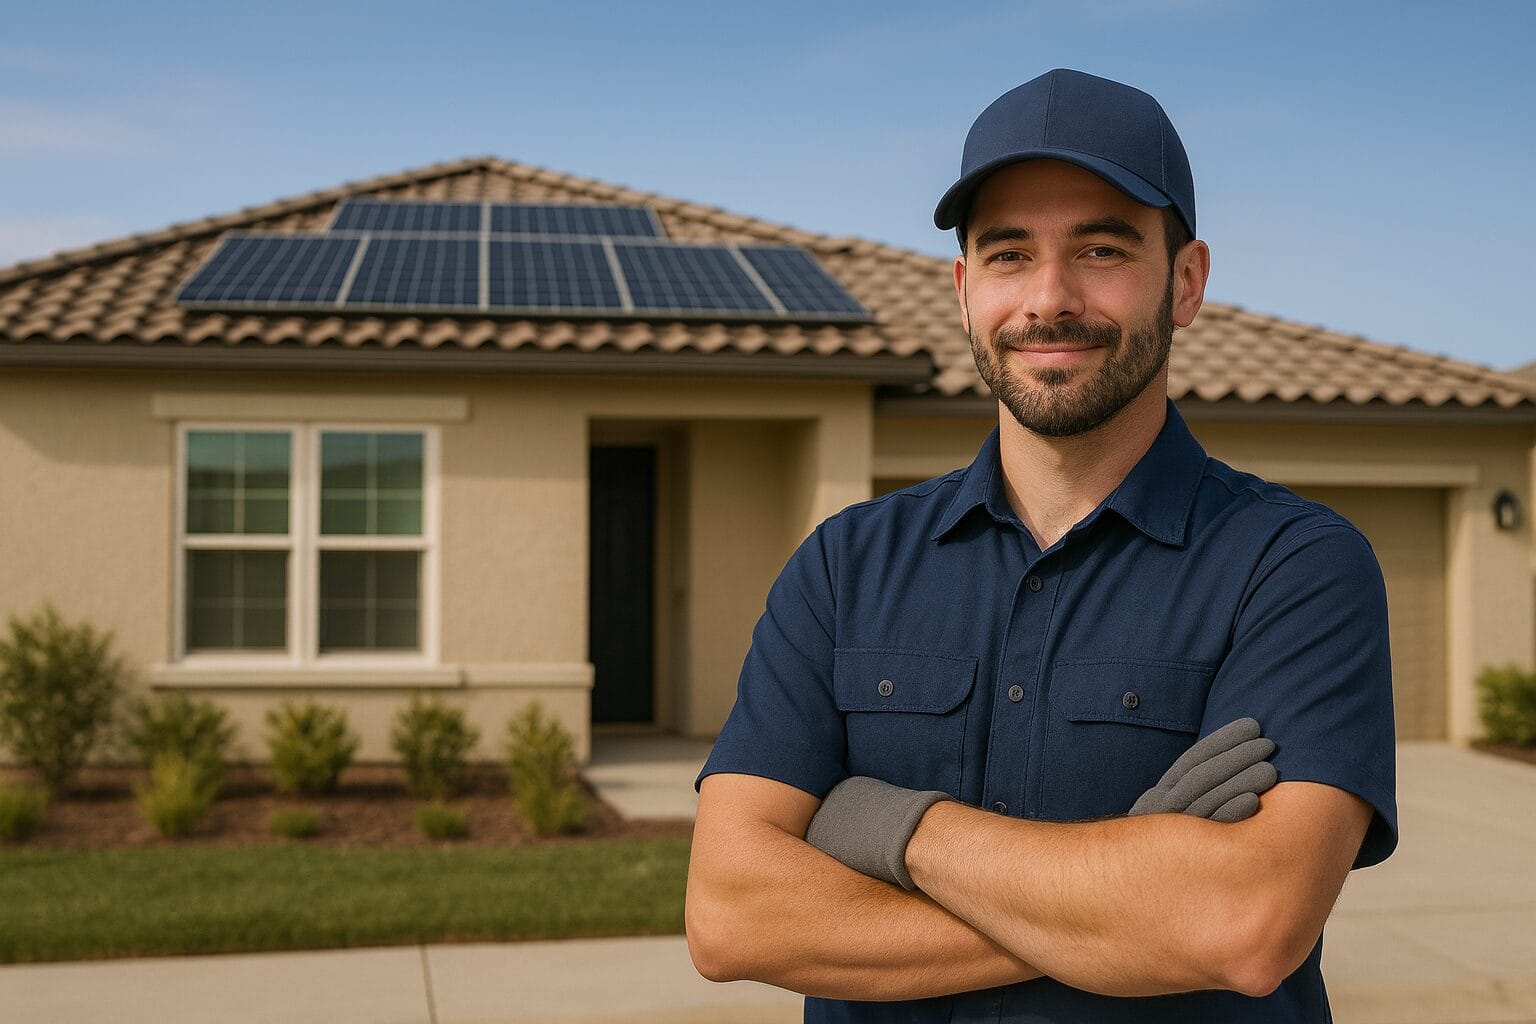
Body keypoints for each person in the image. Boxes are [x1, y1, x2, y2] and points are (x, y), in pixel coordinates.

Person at [685, 68, 1397, 1022]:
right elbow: (734, 917)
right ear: (964, 287)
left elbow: (1245, 922)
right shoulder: (844, 567)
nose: (1050, 299)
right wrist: (1126, 902)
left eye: (1102, 250)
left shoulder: (1295, 568)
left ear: (1185, 283)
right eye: (1009, 254)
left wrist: (891, 826)